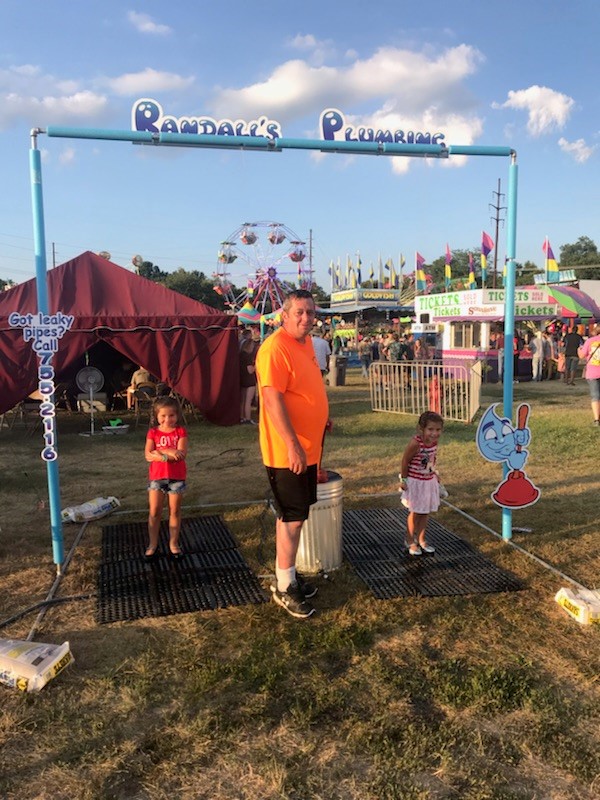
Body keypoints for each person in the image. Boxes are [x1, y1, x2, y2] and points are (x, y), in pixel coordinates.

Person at [255, 289, 329, 619]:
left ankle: (288, 574)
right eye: (299, 312)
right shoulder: (274, 347)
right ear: (284, 315)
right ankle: (284, 585)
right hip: (288, 452)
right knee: (293, 518)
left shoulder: (308, 345)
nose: (306, 318)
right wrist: (292, 445)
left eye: (310, 313)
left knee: (294, 515)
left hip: (309, 450)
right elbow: (272, 401)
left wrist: (322, 418)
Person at [144, 396, 188, 560]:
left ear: (177, 415)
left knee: (174, 510)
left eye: (171, 416)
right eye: (163, 416)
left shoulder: (180, 431)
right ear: (157, 416)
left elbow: (181, 454)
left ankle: (173, 543)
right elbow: (148, 455)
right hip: (157, 477)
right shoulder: (153, 432)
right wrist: (168, 453)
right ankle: (152, 544)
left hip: (176, 477)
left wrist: (160, 452)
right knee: (155, 511)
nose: (167, 419)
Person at [398, 411, 444, 556]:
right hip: (416, 482)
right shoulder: (415, 443)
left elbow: (431, 459)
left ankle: (421, 538)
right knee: (415, 512)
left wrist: (434, 473)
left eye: (438, 430)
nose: (434, 433)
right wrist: (403, 480)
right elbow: (405, 461)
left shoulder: (434, 442)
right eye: (430, 429)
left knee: (425, 512)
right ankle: (410, 540)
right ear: (421, 429)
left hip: (428, 481)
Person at [578, 322, 600, 426]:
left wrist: (579, 350)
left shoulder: (590, 341)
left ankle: (596, 419)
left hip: (593, 372)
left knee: (595, 396)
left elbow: (582, 355)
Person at [239, 332, 258, 424]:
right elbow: (250, 370)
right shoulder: (248, 357)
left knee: (243, 400)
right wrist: (256, 365)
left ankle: (242, 417)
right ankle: (248, 418)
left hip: (242, 379)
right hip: (249, 380)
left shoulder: (241, 355)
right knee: (248, 400)